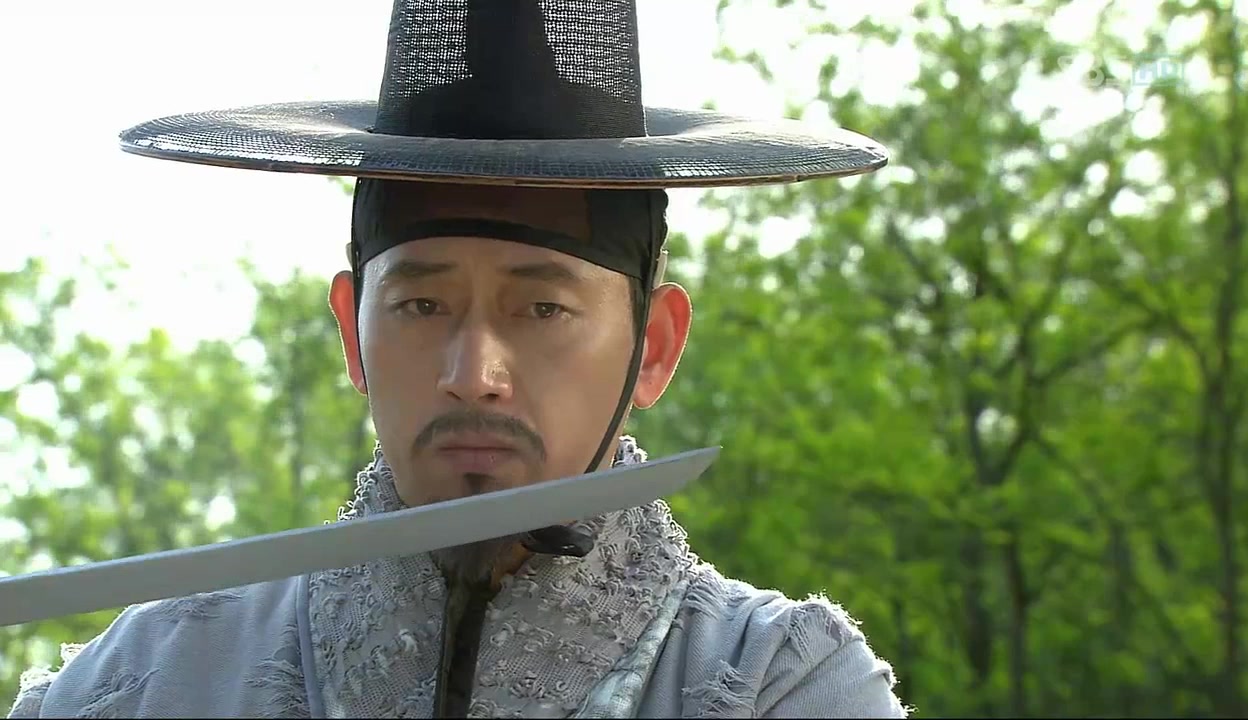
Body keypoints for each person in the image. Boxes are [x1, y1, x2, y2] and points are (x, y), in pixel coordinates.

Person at [9, 0, 906, 717]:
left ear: (654, 348)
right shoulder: (147, 680)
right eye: (422, 305)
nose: (473, 373)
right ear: (352, 331)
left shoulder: (773, 685)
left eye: (543, 309)